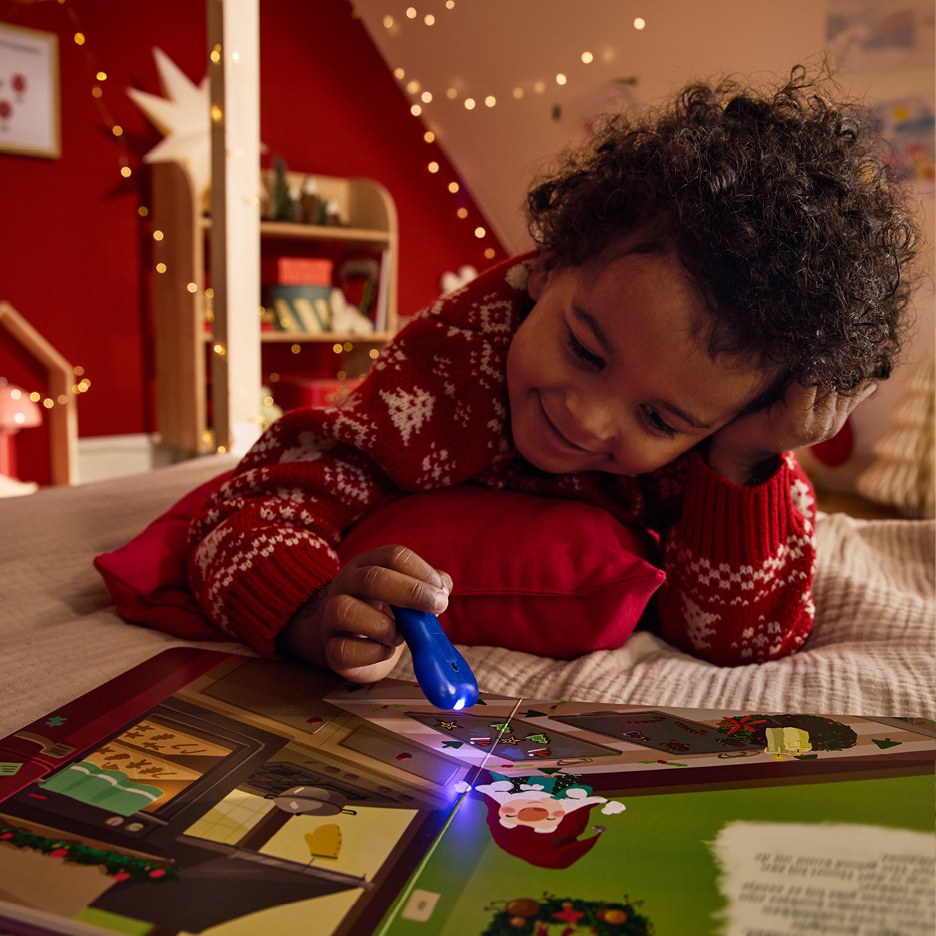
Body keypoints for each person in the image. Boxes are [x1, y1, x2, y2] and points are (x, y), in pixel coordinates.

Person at [186, 66, 918, 682]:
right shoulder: (448, 365)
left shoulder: (735, 432)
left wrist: (743, 457)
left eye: (660, 420)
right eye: (586, 351)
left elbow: (742, 641)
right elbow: (248, 508)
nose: (590, 418)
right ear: (551, 264)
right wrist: (311, 610)